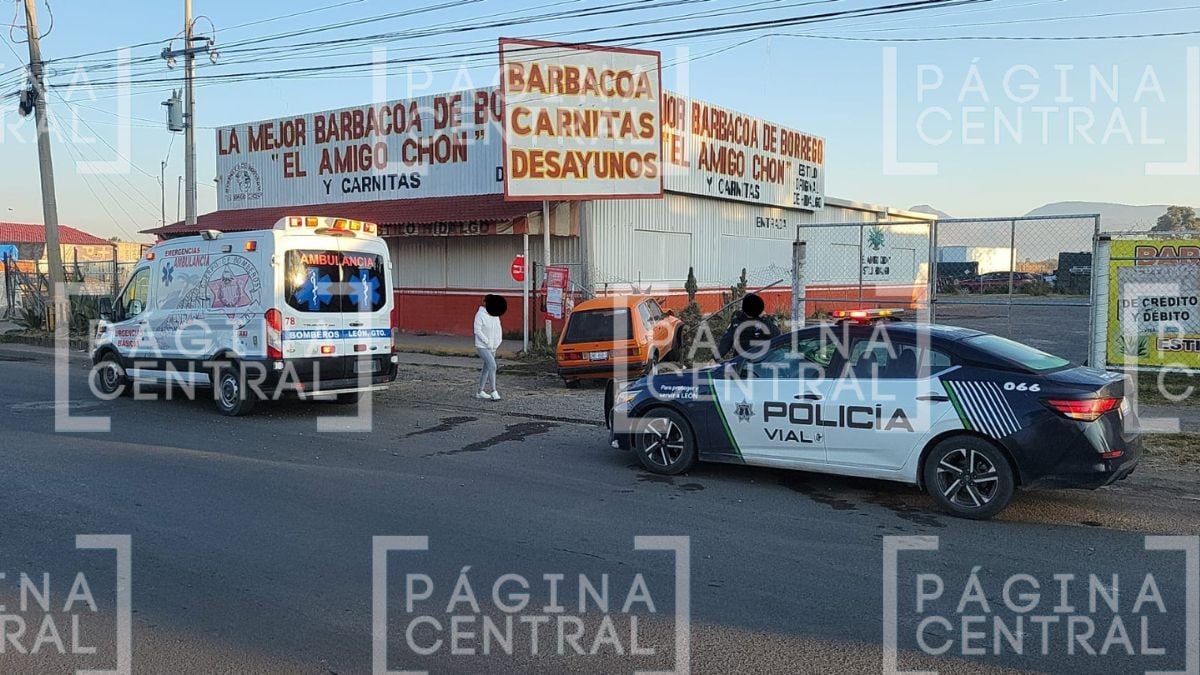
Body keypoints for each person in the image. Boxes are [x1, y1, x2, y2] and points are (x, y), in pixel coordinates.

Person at [718, 293, 779, 359]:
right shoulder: (737, 321)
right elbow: (727, 340)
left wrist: (764, 319)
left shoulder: (765, 320)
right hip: (740, 360)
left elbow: (777, 336)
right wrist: (715, 358)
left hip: (760, 360)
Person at [474, 294, 507, 400]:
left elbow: (499, 329)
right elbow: (477, 330)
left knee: (487, 368)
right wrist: (486, 341)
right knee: (492, 366)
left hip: (493, 346)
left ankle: (480, 391)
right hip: (482, 346)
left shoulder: (495, 315)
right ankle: (494, 390)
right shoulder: (480, 314)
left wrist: (498, 341)